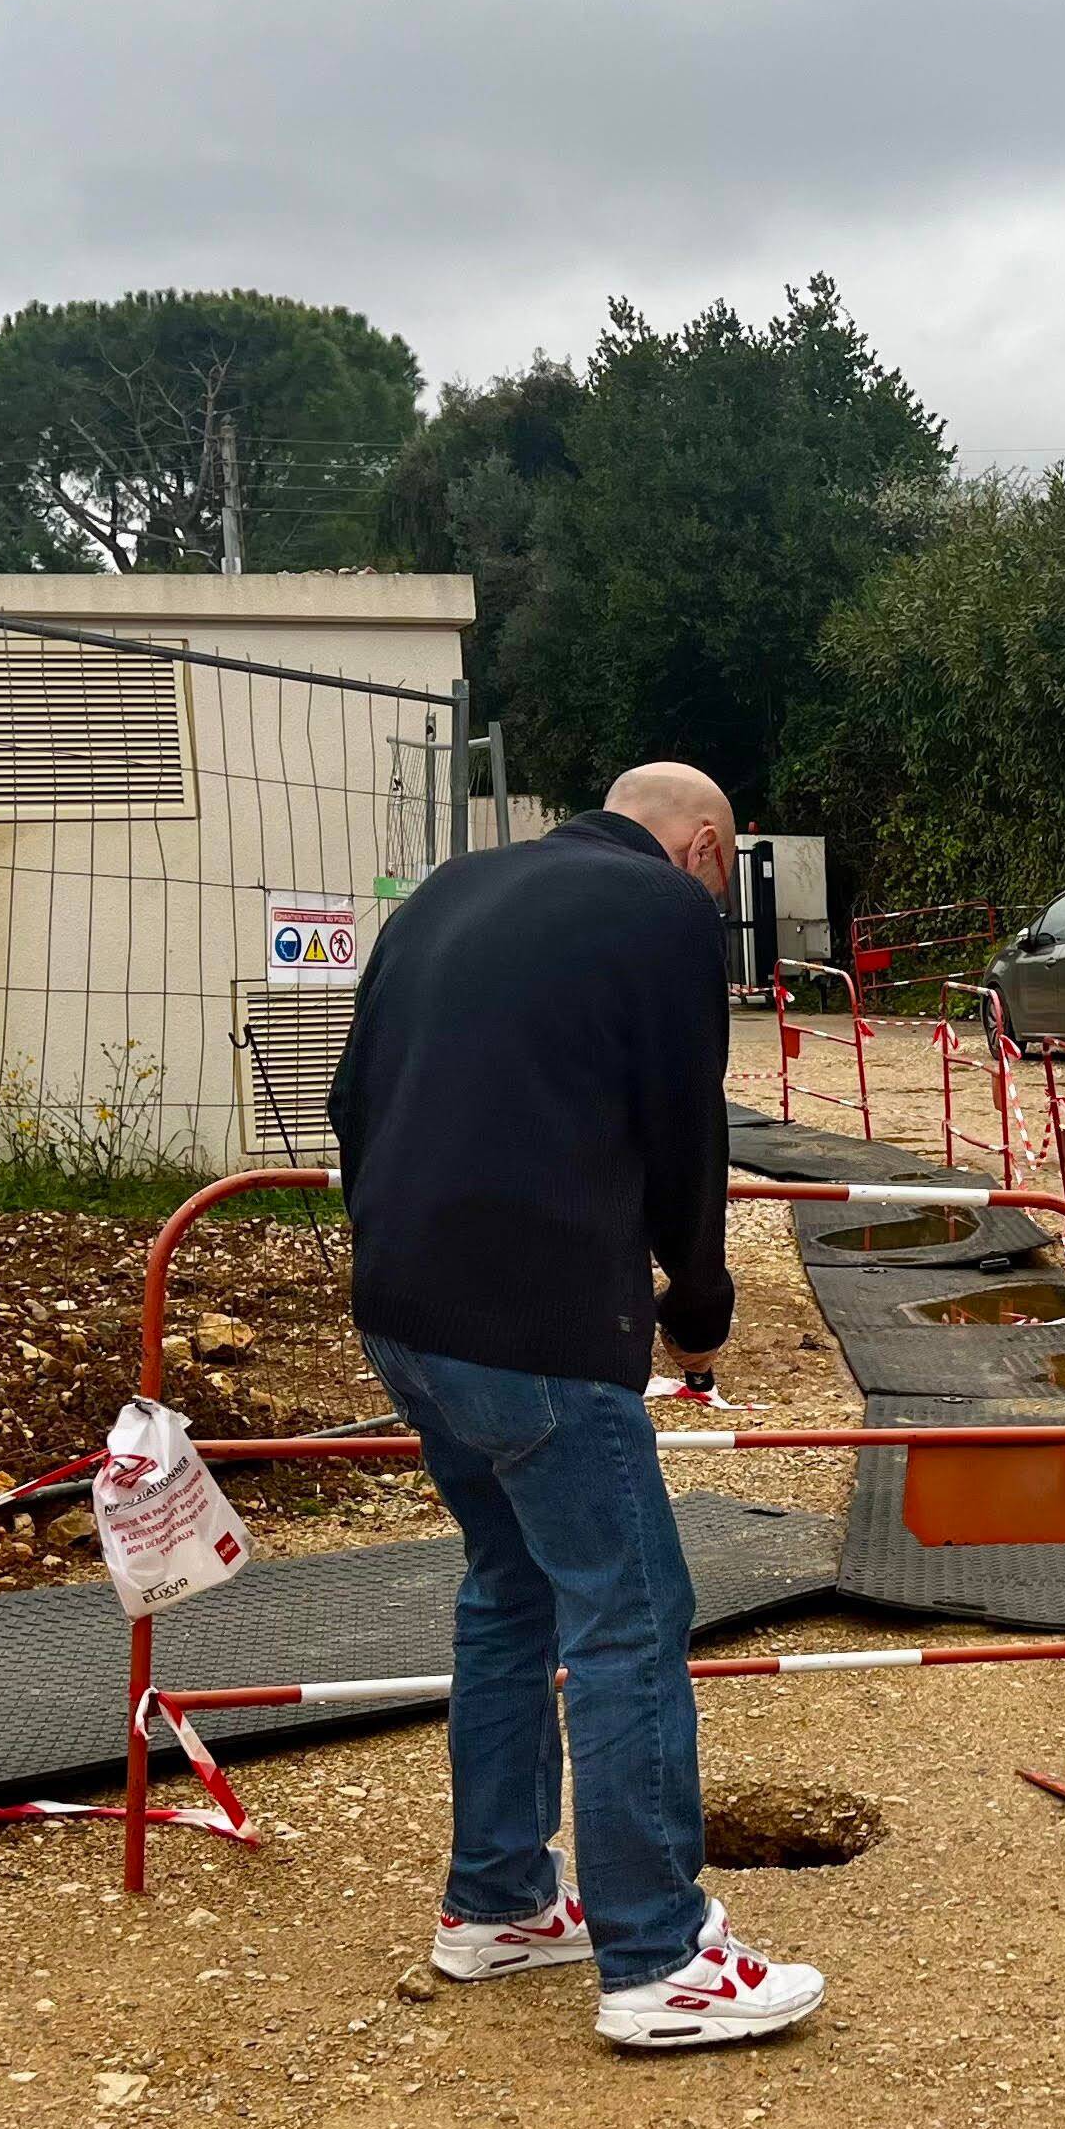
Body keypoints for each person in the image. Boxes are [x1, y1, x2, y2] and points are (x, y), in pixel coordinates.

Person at [326, 759, 824, 2051]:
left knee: (510, 1589)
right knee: (631, 1611)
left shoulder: (448, 890)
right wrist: (698, 1297)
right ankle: (656, 1958)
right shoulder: (659, 912)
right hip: (537, 1322)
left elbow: (349, 1098)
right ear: (706, 846)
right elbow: (682, 1125)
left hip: (404, 1311)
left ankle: (496, 1903)